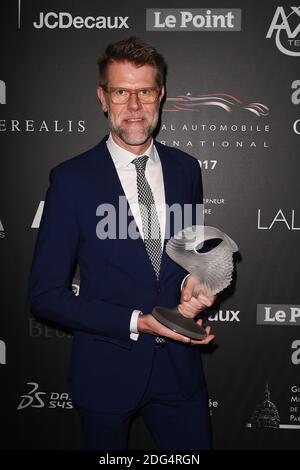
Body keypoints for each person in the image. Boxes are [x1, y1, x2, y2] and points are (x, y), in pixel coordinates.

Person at [28, 36, 216, 450]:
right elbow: (44, 295)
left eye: (144, 91)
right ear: (103, 97)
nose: (133, 106)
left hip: (179, 373)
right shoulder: (71, 179)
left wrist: (195, 287)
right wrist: (137, 322)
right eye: (121, 92)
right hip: (106, 371)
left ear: (160, 95)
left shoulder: (186, 169)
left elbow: (189, 257)